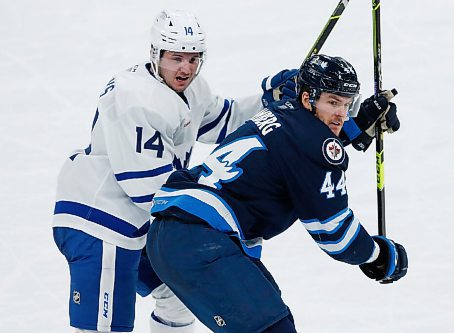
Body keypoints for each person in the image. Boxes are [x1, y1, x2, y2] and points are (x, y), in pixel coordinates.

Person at [52, 9, 300, 333]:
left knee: (180, 296)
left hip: (139, 226)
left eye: (193, 58)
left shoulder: (190, 90)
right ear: (156, 54)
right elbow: (150, 191)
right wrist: (224, 206)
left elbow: (225, 121)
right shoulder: (135, 99)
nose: (185, 68)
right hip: (100, 222)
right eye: (176, 58)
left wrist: (273, 101)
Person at [146, 54, 408, 333]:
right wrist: (379, 256)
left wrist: (357, 126)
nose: (341, 114)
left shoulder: (281, 109)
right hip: (201, 243)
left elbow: (295, 150)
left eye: (346, 104)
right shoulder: (314, 145)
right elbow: (335, 235)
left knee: (274, 322)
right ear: (307, 98)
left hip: (174, 235)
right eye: (332, 102)